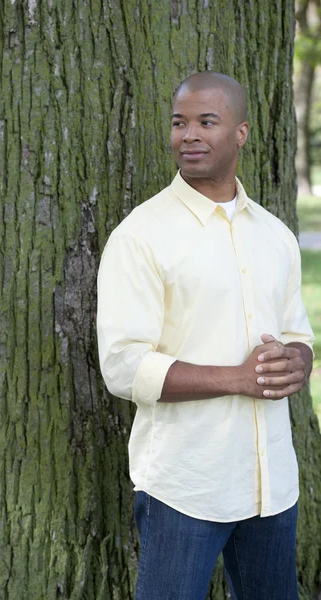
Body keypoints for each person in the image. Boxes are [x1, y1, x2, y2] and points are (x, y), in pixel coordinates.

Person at [96, 71, 314, 600]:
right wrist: (236, 378)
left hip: (271, 485)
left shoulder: (274, 235)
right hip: (185, 485)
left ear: (240, 132)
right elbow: (123, 364)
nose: (188, 135)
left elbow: (296, 333)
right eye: (179, 123)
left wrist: (300, 360)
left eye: (206, 122)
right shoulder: (141, 236)